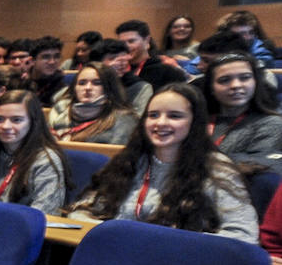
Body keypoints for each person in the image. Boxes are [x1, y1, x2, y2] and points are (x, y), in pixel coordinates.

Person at [69, 83, 258, 243]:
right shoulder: (131, 159)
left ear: (194, 122)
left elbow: (243, 235)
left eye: (175, 116)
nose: (160, 123)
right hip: (119, 254)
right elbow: (84, 210)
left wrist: (173, 245)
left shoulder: (216, 169)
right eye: (153, 115)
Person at [202, 53, 282, 169]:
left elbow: (256, 168)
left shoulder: (272, 123)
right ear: (211, 88)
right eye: (224, 80)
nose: (236, 85)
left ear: (255, 82)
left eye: (245, 78)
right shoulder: (198, 119)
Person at [48, 62, 139, 145]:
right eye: (82, 83)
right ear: (74, 88)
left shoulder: (124, 119)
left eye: (97, 83)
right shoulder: (59, 112)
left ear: (109, 88)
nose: (88, 88)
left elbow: (117, 156)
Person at [115, 19, 187, 89]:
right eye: (122, 43)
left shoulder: (167, 71)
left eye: (131, 41)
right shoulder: (118, 71)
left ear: (147, 41)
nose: (126, 46)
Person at [89, 38, 152, 113]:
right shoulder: (88, 84)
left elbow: (138, 120)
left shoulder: (139, 87)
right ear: (97, 63)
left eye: (124, 59)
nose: (120, 63)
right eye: (112, 58)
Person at [29, 36, 68, 106]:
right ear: (32, 61)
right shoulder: (22, 81)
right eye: (46, 57)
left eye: (56, 56)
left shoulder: (62, 85)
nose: (52, 62)